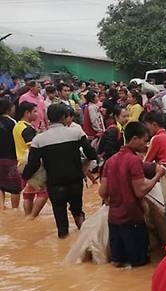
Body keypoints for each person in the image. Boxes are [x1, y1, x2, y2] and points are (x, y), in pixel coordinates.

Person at [22, 103, 97, 238]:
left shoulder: (39, 139)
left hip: (55, 184)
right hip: (75, 181)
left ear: (48, 117)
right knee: (78, 212)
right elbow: (91, 154)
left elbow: (33, 165)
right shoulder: (77, 133)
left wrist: (24, 176)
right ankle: (86, 241)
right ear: (64, 117)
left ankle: (63, 244)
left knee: (60, 218)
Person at [99, 121, 165, 268]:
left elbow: (102, 192)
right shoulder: (134, 161)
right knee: (138, 265)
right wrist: (157, 176)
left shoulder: (110, 161)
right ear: (134, 139)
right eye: (144, 140)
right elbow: (140, 190)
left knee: (117, 263)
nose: (145, 144)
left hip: (114, 221)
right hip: (132, 219)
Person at [13, 101, 48, 217]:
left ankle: (28, 217)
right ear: (27, 113)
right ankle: (32, 217)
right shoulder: (27, 129)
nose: (37, 114)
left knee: (28, 192)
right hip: (30, 161)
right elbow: (33, 149)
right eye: (35, 111)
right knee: (43, 192)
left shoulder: (17, 126)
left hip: (20, 162)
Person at [0, 98, 20, 210]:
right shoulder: (12, 122)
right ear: (8, 109)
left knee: (0, 186)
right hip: (10, 159)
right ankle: (15, 211)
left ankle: (1, 208)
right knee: (15, 187)